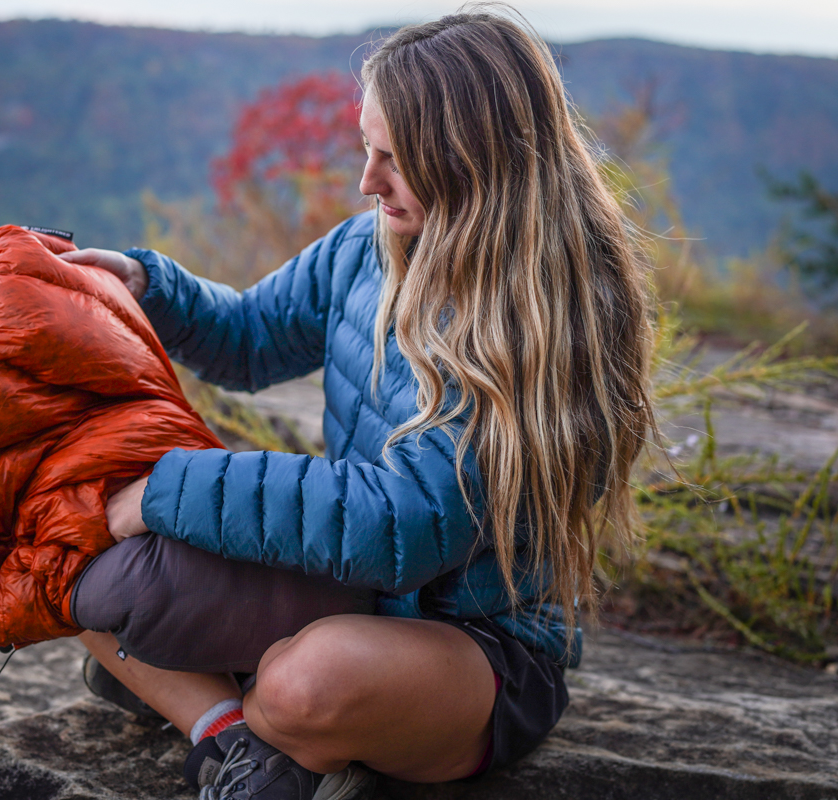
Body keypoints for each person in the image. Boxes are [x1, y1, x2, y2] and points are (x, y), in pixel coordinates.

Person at [56, 8, 655, 800]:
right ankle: (232, 739)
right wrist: (150, 292)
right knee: (62, 534)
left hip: (472, 646)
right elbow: (251, 338)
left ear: (473, 162)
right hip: (348, 586)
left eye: (394, 160)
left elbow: (395, 526)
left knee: (308, 683)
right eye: (366, 149)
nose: (368, 181)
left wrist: (172, 492)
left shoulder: (544, 325)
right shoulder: (367, 246)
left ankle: (217, 701)